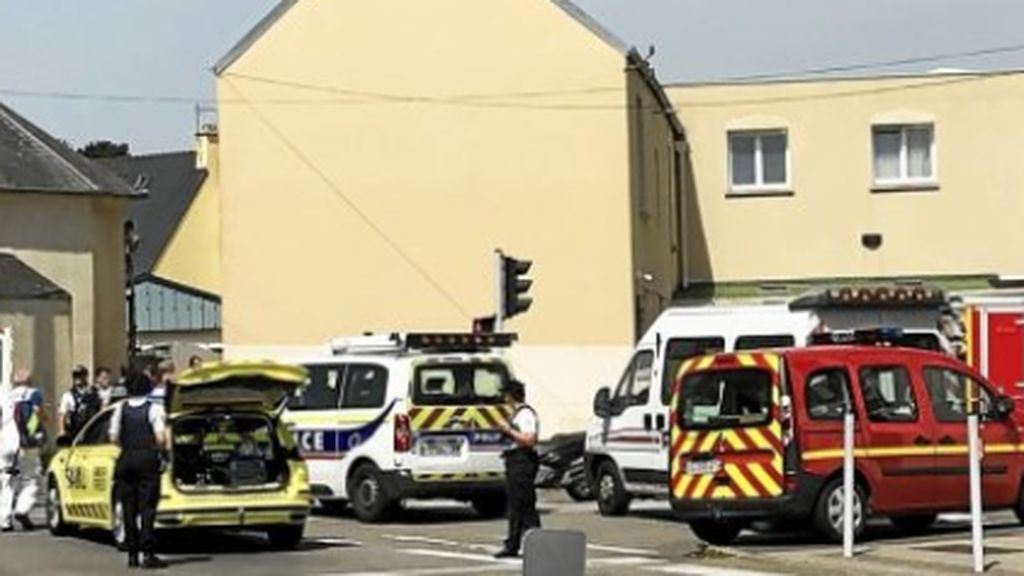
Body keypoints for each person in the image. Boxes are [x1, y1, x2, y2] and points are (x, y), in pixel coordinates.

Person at [109, 371, 169, 569]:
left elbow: (113, 436)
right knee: (147, 507)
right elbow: (160, 437)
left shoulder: (120, 408)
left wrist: (126, 446)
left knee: (129, 507)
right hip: (147, 458)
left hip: (125, 458)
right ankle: (148, 552)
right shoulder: (154, 409)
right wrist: (161, 452)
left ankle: (132, 554)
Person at [494, 379, 541, 559]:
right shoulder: (516, 414)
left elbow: (529, 440)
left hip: (523, 461)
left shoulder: (525, 414)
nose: (504, 398)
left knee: (525, 504)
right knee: (516, 505)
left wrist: (508, 430)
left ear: (511, 395)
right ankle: (513, 544)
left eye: (506, 394)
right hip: (514, 460)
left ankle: (537, 543)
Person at [0, 370, 46, 532]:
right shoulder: (33, 394)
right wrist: (33, 434)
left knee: (7, 481)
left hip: (6, 444)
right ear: (30, 381)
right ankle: (22, 509)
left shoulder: (6, 397)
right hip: (24, 444)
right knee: (32, 478)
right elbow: (36, 414)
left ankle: (4, 520)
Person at [58, 365, 101, 440]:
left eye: (80, 375)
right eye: (76, 376)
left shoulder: (95, 392)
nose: (78, 378)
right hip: (76, 430)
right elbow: (62, 414)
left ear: (85, 376)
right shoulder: (68, 395)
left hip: (93, 429)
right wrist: (62, 430)